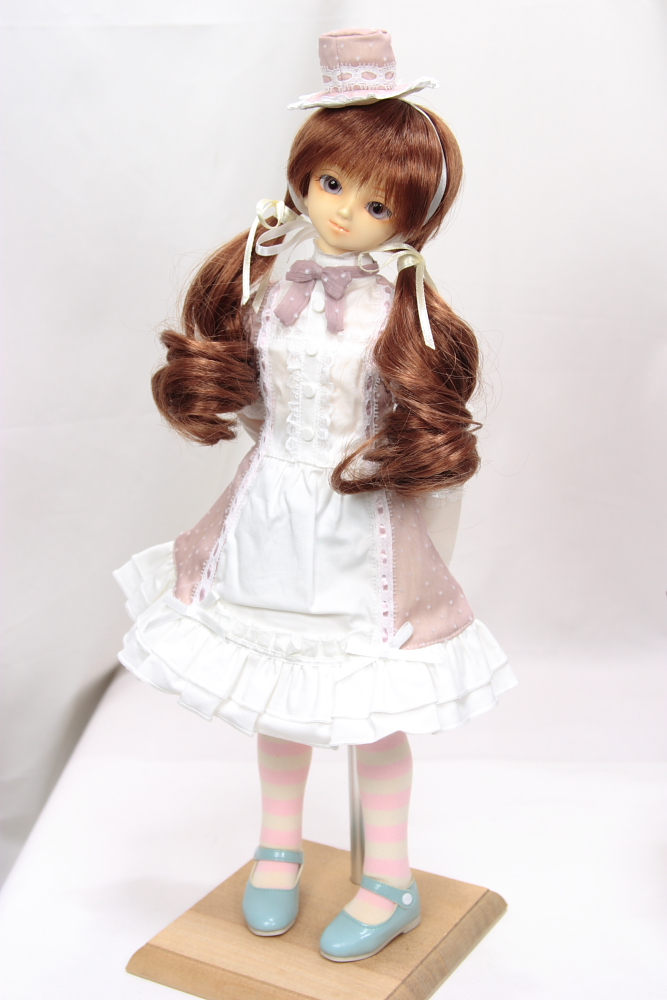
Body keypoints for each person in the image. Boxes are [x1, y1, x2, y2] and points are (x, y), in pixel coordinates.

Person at [115, 28, 517, 962]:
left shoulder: (399, 313)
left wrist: (426, 545)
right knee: (277, 694)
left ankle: (390, 877)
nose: (342, 214)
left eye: (376, 203)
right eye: (330, 185)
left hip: (360, 526)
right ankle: (278, 848)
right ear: (301, 177)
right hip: (268, 516)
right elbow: (260, 403)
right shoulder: (270, 291)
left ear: (412, 216)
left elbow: (430, 444)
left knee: (368, 707)